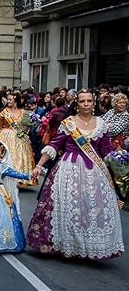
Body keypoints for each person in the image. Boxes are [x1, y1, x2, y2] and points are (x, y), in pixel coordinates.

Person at [27, 89, 125, 260]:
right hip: (69, 168)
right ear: (77, 104)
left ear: (94, 103)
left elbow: (106, 150)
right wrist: (38, 166)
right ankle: (65, 244)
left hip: (95, 171)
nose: (86, 104)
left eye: (89, 101)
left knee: (91, 209)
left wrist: (121, 164)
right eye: (82, 101)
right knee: (67, 206)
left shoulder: (101, 124)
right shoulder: (69, 123)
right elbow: (55, 145)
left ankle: (89, 246)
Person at [0, 93, 36, 186]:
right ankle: (0, 176)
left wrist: (25, 130)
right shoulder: (4, 111)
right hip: (5, 136)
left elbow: (26, 126)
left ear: (15, 100)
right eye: (8, 100)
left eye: (10, 100)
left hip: (19, 137)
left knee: (18, 157)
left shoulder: (23, 112)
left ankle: (18, 179)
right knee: (4, 156)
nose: (8, 101)